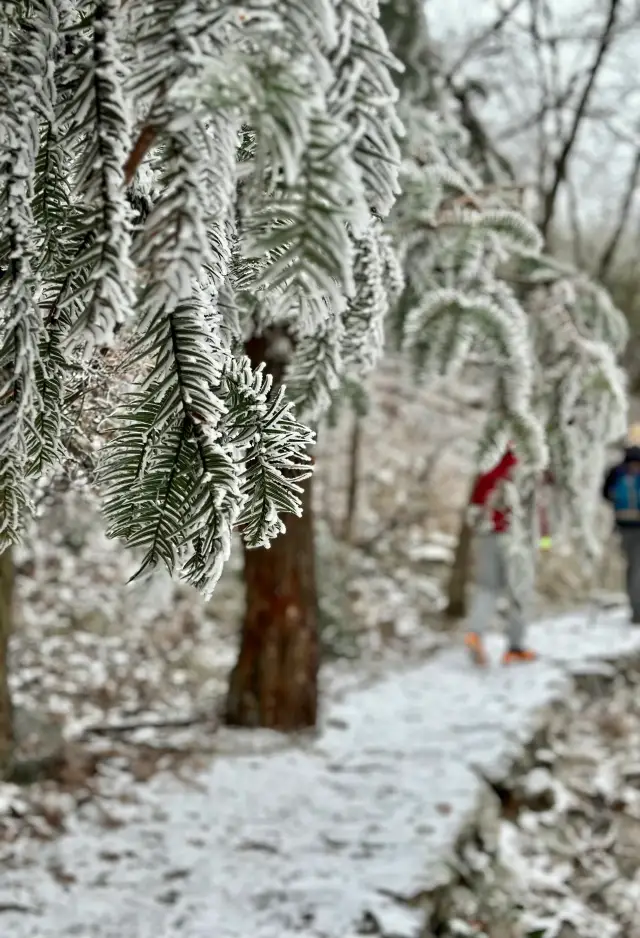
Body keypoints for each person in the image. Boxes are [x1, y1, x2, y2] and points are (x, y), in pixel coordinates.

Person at [464, 445, 538, 667]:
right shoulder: (526, 469)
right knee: (519, 591)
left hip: (488, 535)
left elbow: (476, 502)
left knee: (487, 588)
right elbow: (535, 508)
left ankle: (474, 633)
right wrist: (544, 540)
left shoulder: (489, 468)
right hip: (517, 536)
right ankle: (514, 647)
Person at [602, 433, 640, 624]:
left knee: (633, 568)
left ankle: (636, 609)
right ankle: (637, 611)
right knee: (636, 569)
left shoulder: (617, 471)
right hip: (632, 527)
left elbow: (605, 494)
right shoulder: (619, 472)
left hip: (624, 525)